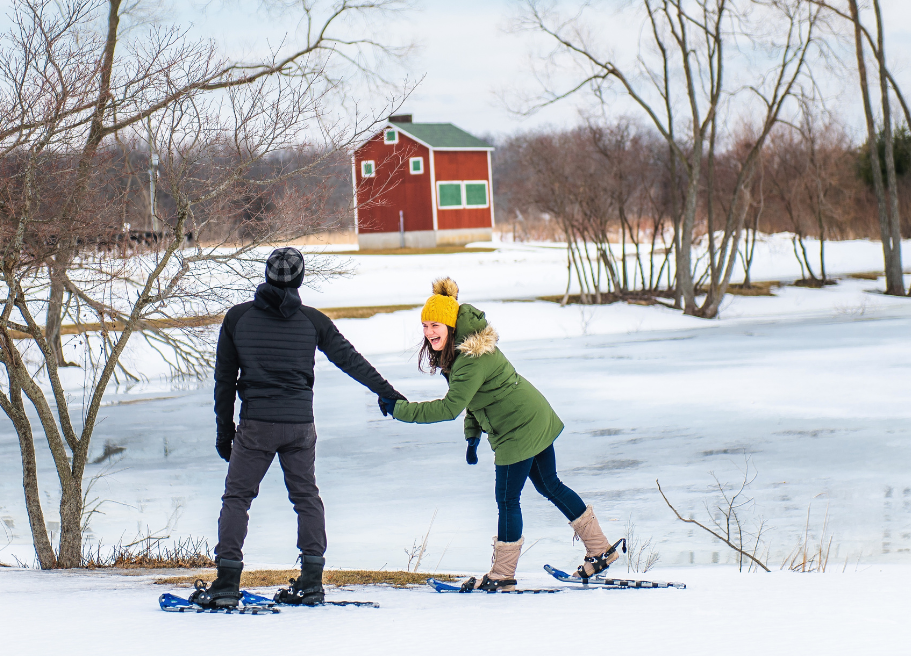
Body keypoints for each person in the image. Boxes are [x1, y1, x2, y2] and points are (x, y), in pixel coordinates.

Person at [191, 247, 406, 608]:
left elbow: (224, 381)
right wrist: (390, 394)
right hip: (300, 427)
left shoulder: (238, 318)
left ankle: (227, 583)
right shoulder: (312, 320)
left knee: (237, 499)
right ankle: (311, 583)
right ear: (300, 280)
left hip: (256, 425)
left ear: (266, 275)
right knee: (306, 499)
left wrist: (223, 432)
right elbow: (351, 361)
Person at [379, 277, 623, 592]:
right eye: (425, 325)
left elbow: (451, 406)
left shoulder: (468, 359)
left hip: (518, 427)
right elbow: (475, 400)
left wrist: (400, 409)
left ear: (452, 324)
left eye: (435, 324)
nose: (429, 332)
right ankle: (601, 549)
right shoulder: (463, 350)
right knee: (550, 484)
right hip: (533, 415)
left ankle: (502, 574)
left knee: (508, 499)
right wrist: (472, 436)